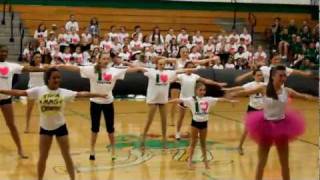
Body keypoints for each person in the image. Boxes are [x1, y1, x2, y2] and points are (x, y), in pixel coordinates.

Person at [0, 67, 108, 180]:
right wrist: (2, 91)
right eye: (54, 78)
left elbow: (82, 94)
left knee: (67, 156)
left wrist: (99, 95)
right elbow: (19, 92)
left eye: (58, 78)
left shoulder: (63, 92)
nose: (57, 80)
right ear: (48, 79)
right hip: (45, 130)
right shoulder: (39, 90)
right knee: (42, 157)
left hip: (61, 128)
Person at [228, 65, 317, 180]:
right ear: (273, 76)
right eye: (281, 75)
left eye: (285, 75)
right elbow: (245, 91)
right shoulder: (263, 89)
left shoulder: (287, 90)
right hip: (266, 127)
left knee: (285, 164)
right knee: (261, 163)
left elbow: (304, 96)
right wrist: (231, 94)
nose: (284, 78)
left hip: (282, 127)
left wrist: (314, 98)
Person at [58, 52, 145, 161]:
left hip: (108, 103)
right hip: (95, 103)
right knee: (95, 129)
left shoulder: (114, 71)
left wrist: (140, 68)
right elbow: (76, 69)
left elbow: (128, 70)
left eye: (107, 59)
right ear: (99, 60)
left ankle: (113, 151)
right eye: (103, 58)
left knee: (110, 129)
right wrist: (62, 66)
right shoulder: (92, 70)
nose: (106, 60)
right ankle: (92, 150)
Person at [169, 82, 236, 169]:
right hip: (195, 124)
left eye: (204, 90)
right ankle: (189, 162)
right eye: (200, 90)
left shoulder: (208, 99)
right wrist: (167, 101)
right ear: (196, 91)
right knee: (193, 143)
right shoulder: (191, 99)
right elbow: (179, 100)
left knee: (203, 144)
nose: (202, 92)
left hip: (204, 124)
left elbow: (220, 100)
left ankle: (205, 162)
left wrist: (230, 101)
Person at [0, 45, 50, 158]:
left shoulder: (11, 66)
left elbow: (29, 69)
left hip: (6, 99)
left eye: (5, 51)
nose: (4, 53)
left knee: (11, 124)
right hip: (28, 90)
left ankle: (20, 149)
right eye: (1, 51)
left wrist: (43, 69)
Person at [140, 59, 193, 151]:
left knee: (164, 121)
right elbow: (140, 68)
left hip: (163, 100)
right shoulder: (152, 72)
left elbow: (178, 71)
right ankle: (143, 140)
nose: (162, 65)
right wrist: (128, 64)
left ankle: (164, 141)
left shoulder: (168, 73)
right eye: (160, 64)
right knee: (149, 120)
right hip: (153, 100)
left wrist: (191, 69)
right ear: (157, 64)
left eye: (163, 64)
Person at [175, 61, 227, 140]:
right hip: (183, 99)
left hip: (193, 100)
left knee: (195, 117)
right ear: (185, 68)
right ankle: (177, 133)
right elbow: (172, 79)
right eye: (188, 67)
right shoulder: (181, 76)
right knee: (181, 117)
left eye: (192, 67)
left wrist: (217, 84)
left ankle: (197, 132)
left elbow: (206, 81)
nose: (190, 68)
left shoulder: (195, 76)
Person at [223, 69, 264, 155]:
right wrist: (229, 89)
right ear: (253, 76)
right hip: (253, 108)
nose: (260, 77)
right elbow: (240, 88)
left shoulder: (265, 85)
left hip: (263, 110)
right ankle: (240, 146)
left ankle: (262, 146)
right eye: (258, 75)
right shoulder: (251, 84)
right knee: (247, 129)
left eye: (261, 75)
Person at [24, 52, 45, 133]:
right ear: (33, 58)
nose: (38, 59)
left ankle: (44, 126)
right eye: (36, 57)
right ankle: (27, 126)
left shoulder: (44, 66)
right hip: (32, 88)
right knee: (29, 109)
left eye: (39, 57)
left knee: (43, 109)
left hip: (42, 89)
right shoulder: (29, 66)